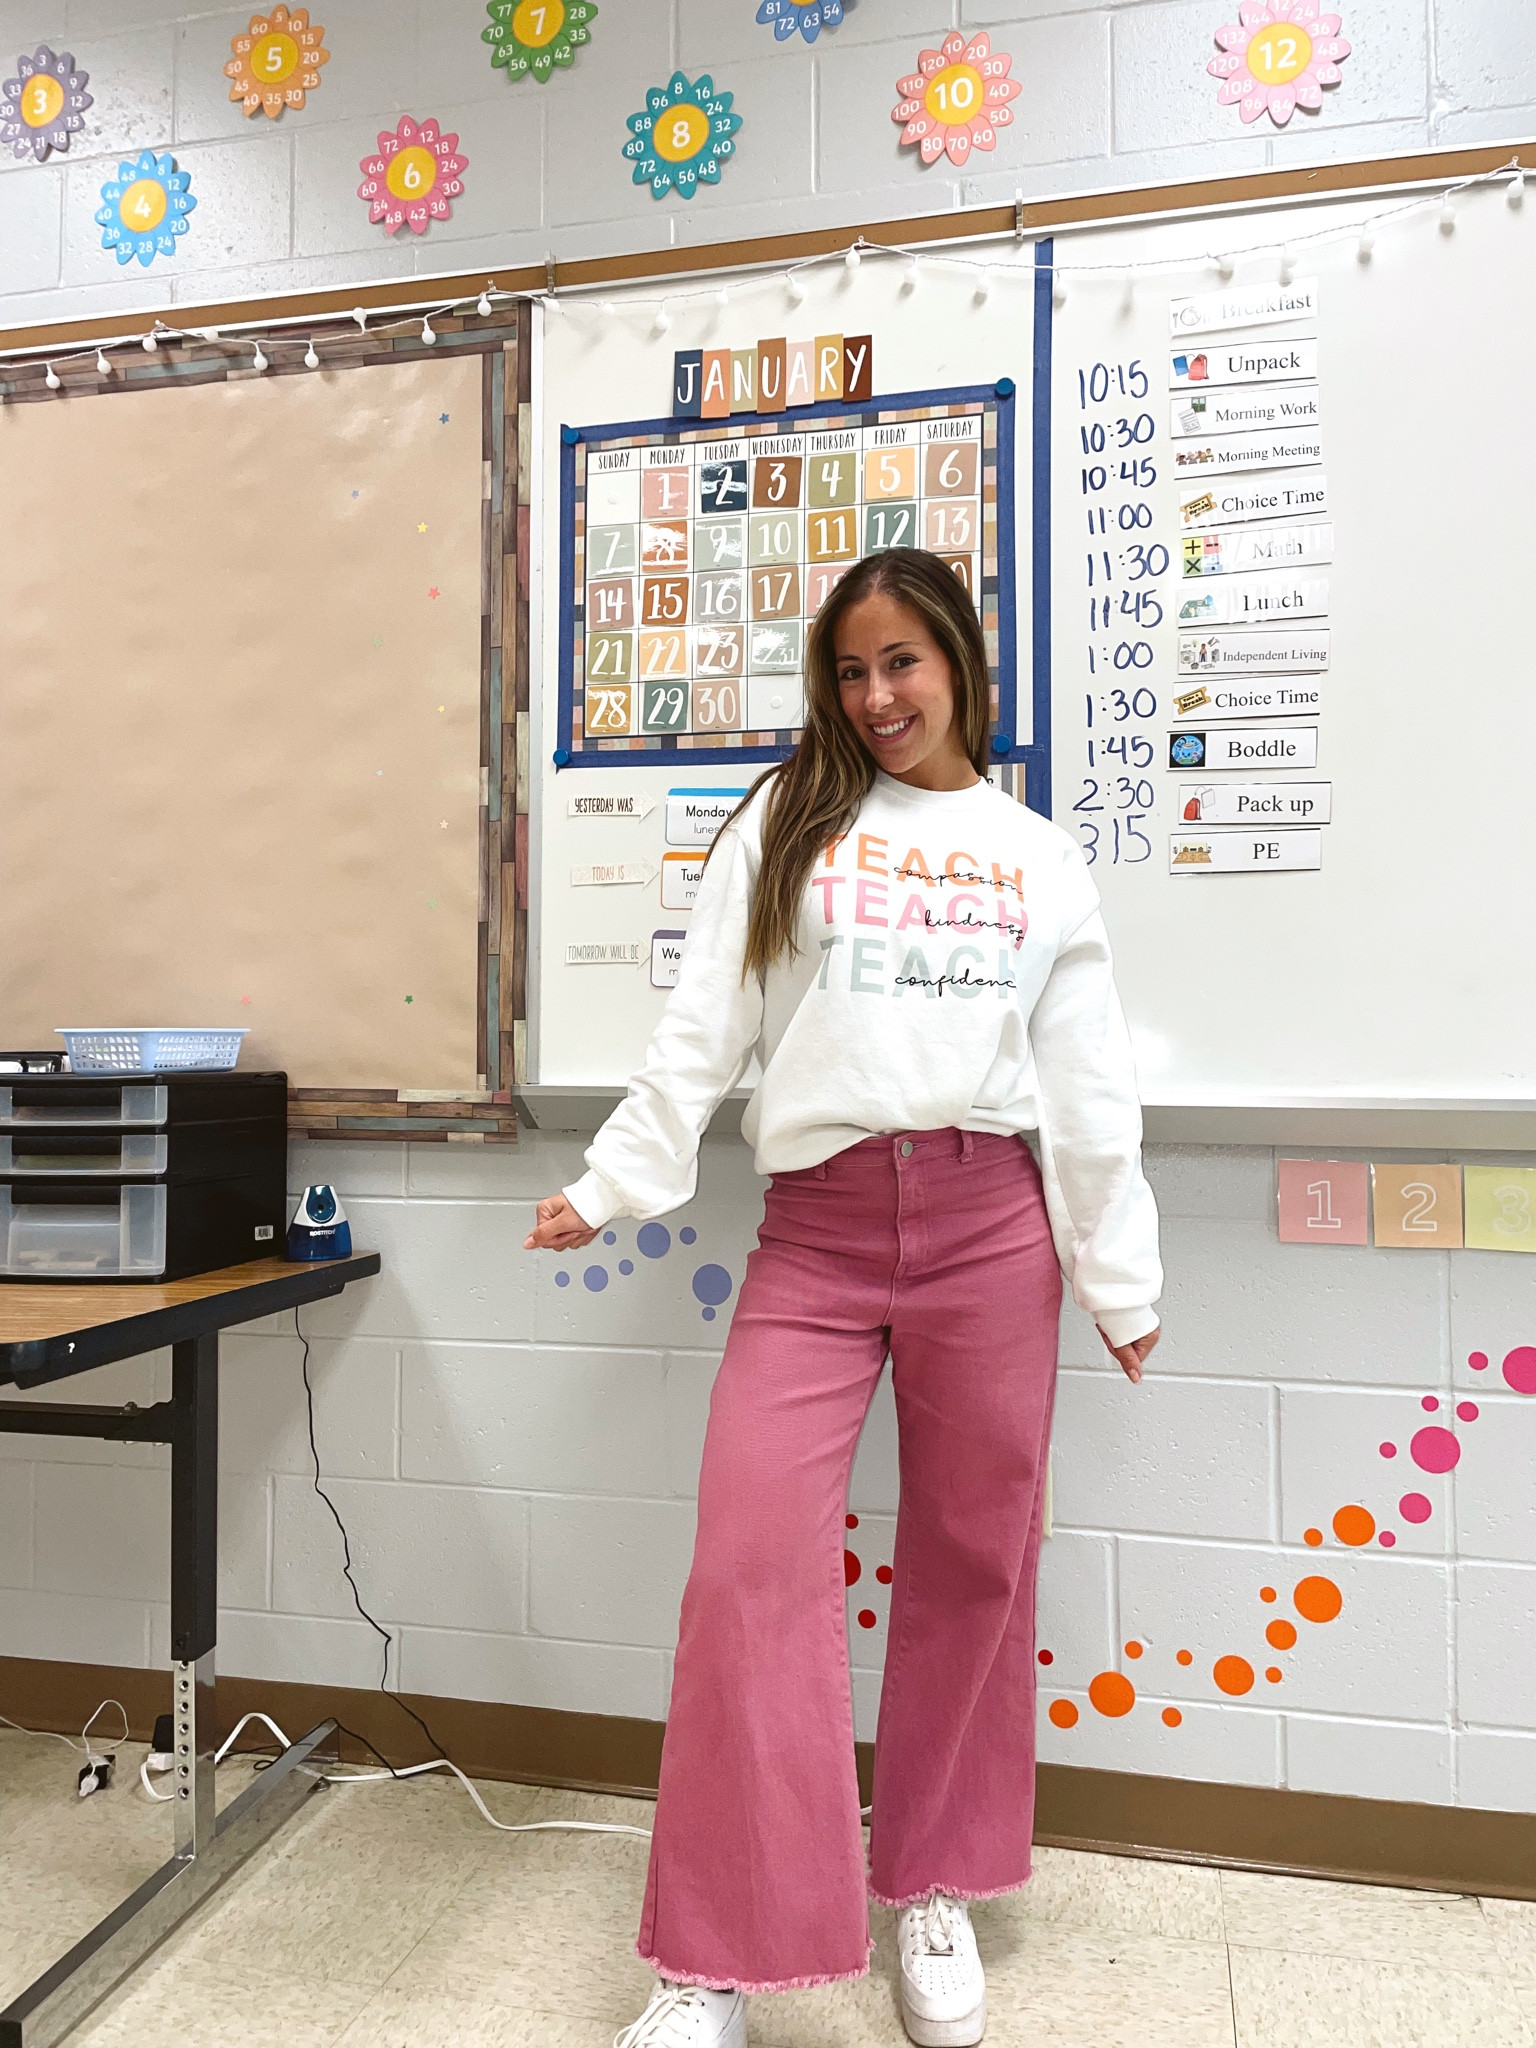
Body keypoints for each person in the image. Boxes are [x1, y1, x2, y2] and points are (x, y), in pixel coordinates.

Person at [526, 547, 1162, 2048]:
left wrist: (1119, 1275)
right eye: (852, 669)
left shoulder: (1035, 856)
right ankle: (714, 1960)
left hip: (991, 1226)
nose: (877, 696)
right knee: (747, 1565)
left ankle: (931, 1884)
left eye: (903, 663)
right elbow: (703, 1026)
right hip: (816, 1232)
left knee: (976, 1558)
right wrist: (615, 1180)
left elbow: (1087, 1086)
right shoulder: (788, 821)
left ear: (958, 665)